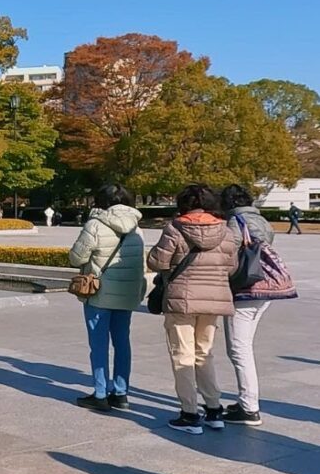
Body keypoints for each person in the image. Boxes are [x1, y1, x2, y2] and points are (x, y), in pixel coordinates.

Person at [148, 184, 238, 435]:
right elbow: (232, 267)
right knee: (205, 353)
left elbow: (157, 261)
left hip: (182, 299)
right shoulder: (226, 230)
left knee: (182, 354)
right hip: (214, 300)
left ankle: (189, 413)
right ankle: (213, 409)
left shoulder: (175, 228)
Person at [67, 184, 147, 412]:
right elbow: (139, 264)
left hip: (99, 293)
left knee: (99, 345)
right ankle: (121, 393)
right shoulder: (137, 228)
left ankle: (100, 393)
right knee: (123, 343)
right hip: (127, 294)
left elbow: (76, 257)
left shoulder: (94, 225)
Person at [220, 185, 275, 426]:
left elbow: (229, 255)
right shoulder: (261, 220)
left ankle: (249, 406)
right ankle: (247, 400)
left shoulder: (236, 221)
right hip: (264, 288)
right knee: (244, 347)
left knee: (238, 349)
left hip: (244, 290)